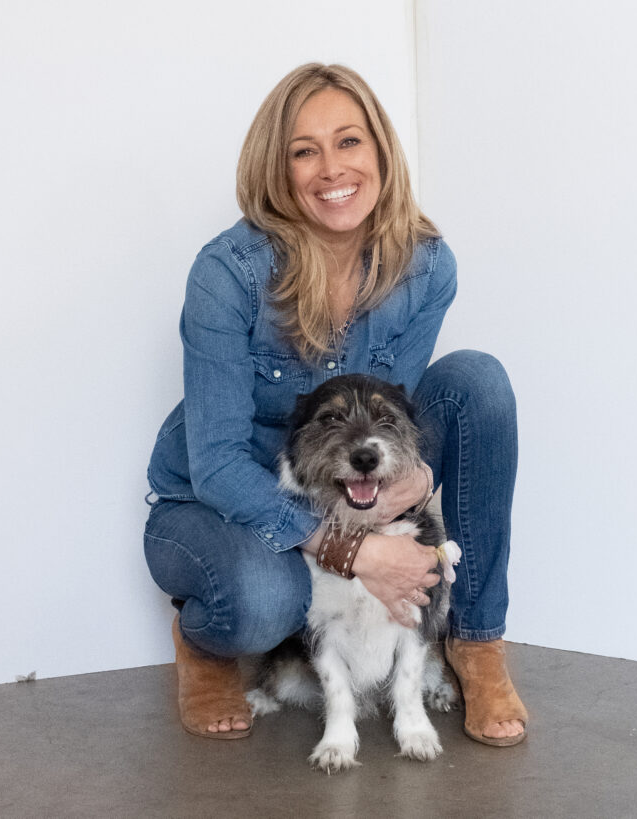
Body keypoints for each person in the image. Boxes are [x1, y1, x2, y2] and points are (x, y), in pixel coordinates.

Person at [143, 63, 527, 747]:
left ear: (379, 150)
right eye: (304, 151)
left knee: (479, 383)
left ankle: (475, 639)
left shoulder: (425, 264)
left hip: (339, 481)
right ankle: (204, 643)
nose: (331, 169)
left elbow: (390, 412)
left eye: (349, 141)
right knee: (264, 601)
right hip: (219, 500)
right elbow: (219, 465)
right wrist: (355, 549)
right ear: (277, 168)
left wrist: (414, 479)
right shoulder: (227, 274)